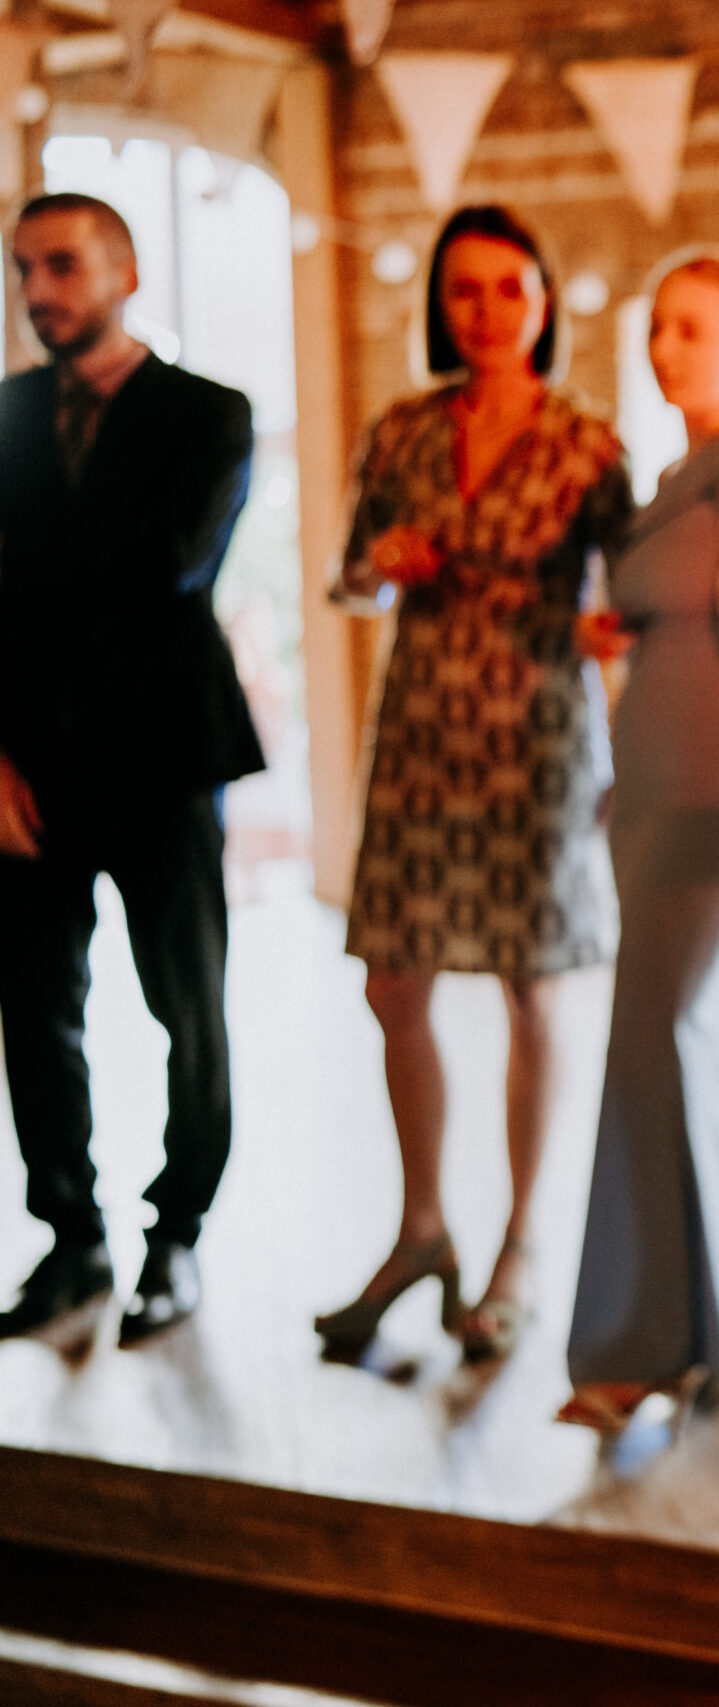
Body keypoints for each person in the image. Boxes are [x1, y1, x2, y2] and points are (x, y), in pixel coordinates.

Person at [317, 205, 630, 1366]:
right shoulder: (401, 431)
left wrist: (614, 645)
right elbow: (347, 579)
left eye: (509, 288)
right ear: (440, 306)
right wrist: (380, 562)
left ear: (543, 303)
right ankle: (421, 1229)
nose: (487, 311)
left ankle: (522, 1246)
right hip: (418, 733)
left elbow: (629, 602)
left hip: (538, 742)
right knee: (392, 982)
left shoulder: (589, 448)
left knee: (531, 988)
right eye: (465, 289)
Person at [556, 248, 719, 1431]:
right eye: (658, 327)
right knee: (693, 1030)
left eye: (694, 328)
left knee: (656, 1025)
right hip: (646, 782)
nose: (668, 348)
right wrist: (610, 637)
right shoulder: (664, 480)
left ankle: (641, 1345)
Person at [0, 193, 260, 1348]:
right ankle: (72, 1239)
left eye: (61, 265)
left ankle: (177, 1236)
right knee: (34, 1012)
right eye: (23, 270)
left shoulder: (210, 413)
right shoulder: (6, 414)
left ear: (126, 273)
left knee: (186, 1010)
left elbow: (164, 565)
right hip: (27, 766)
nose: (38, 291)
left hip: (165, 760)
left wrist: (25, 563)